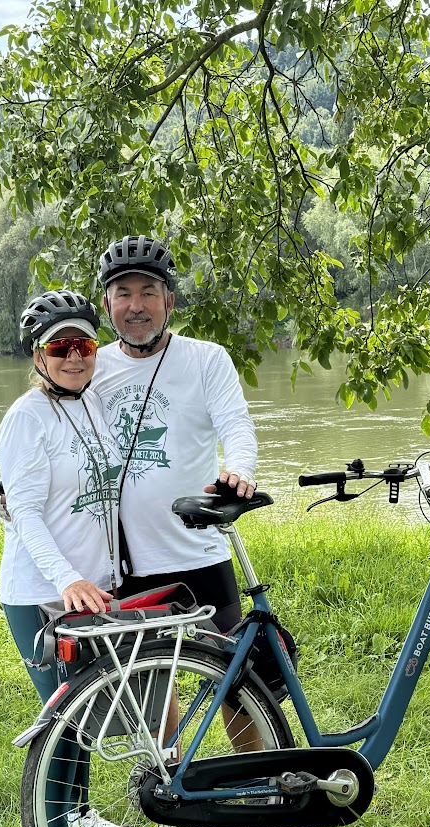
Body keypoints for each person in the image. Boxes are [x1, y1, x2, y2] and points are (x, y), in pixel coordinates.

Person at [0, 288, 131, 827]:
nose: (75, 357)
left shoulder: (93, 401)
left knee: (85, 710)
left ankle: (78, 817)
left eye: (85, 344)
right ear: (38, 357)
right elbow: (24, 510)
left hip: (92, 590)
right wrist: (65, 578)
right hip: (41, 591)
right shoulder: (26, 418)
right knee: (61, 716)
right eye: (60, 347)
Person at [89, 235, 258, 631]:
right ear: (106, 305)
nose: (136, 306)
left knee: (235, 679)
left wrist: (240, 472)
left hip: (198, 551)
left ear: (169, 301)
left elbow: (236, 425)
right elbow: (56, 432)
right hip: (123, 561)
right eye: (123, 293)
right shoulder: (91, 369)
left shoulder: (206, 359)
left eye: (148, 292)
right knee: (152, 682)